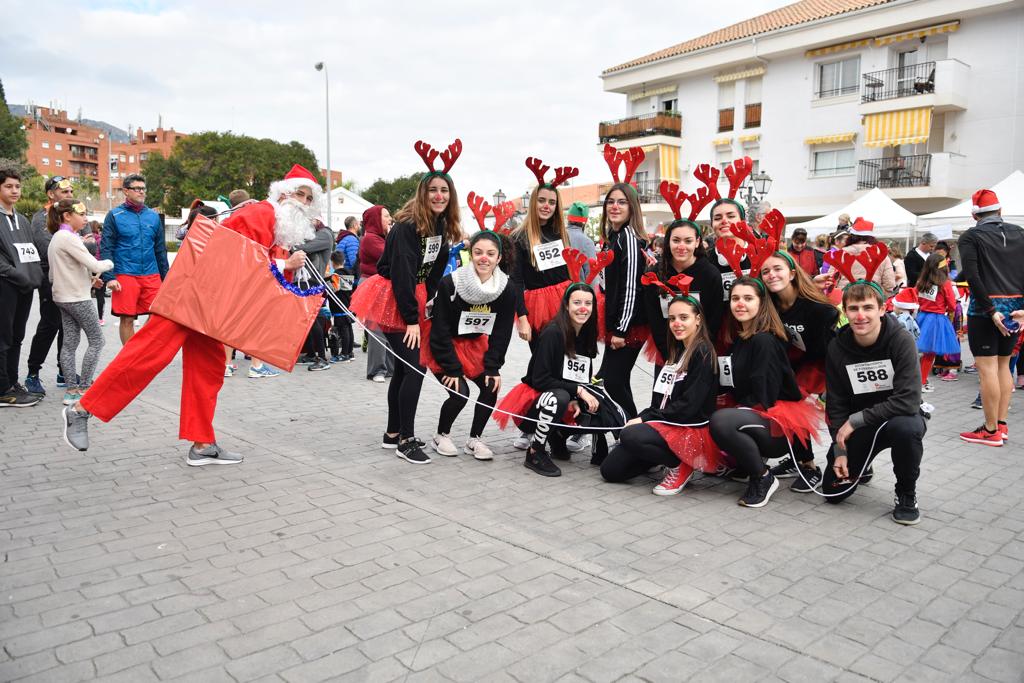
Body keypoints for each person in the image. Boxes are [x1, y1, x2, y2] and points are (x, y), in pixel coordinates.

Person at [60, 164, 318, 463]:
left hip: (209, 305)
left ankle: (202, 444)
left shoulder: (274, 223)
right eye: (300, 195)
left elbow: (256, 268)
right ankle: (80, 410)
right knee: (148, 355)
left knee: (206, 372)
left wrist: (284, 265)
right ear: (283, 193)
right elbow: (234, 257)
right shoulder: (261, 214)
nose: (304, 203)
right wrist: (286, 265)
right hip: (194, 297)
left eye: (309, 199)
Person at [349, 139, 463, 464]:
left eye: (444, 190)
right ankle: (406, 441)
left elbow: (434, 271)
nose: (439, 196)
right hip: (396, 298)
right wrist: (412, 317)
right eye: (433, 190)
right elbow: (401, 273)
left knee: (403, 368)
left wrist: (431, 301)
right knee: (416, 368)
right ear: (423, 194)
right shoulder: (408, 227)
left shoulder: (440, 225)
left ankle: (392, 433)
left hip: (416, 297)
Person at [823, 270, 926, 524]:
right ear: (845, 312)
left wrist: (856, 420)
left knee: (907, 428)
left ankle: (906, 493)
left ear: (882, 309)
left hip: (897, 419)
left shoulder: (901, 340)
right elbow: (835, 401)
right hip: (861, 427)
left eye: (868, 307)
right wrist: (840, 450)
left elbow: (908, 399)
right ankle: (863, 460)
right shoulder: (837, 346)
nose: (861, 316)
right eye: (853, 308)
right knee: (833, 492)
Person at [709, 277, 823, 507]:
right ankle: (747, 463)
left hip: (777, 424)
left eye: (748, 298)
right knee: (716, 412)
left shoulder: (764, 340)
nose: (740, 304)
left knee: (721, 421)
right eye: (735, 298)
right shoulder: (740, 338)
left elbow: (765, 395)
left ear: (762, 303)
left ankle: (763, 477)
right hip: (757, 415)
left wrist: (732, 411)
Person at [602, 279, 721, 495]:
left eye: (684, 318)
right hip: (667, 423)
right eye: (672, 318)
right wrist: (645, 417)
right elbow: (660, 398)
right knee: (611, 470)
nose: (677, 323)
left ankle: (681, 465)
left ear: (698, 319)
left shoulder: (702, 352)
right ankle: (660, 456)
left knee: (630, 435)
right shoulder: (674, 352)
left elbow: (689, 407)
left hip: (688, 426)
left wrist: (645, 418)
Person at [494, 279, 602, 477]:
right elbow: (540, 380)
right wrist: (576, 392)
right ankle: (535, 451)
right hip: (534, 403)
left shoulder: (587, 334)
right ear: (566, 305)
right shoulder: (552, 333)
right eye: (577, 303)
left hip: (561, 397)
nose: (583, 308)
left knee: (594, 399)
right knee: (559, 397)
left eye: (588, 303)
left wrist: (578, 399)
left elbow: (583, 376)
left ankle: (557, 436)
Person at [424, 229, 516, 461]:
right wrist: (452, 369)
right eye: (478, 252)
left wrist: (494, 367)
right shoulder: (451, 284)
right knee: (460, 393)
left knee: (490, 385)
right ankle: (440, 435)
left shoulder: (506, 289)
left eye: (490, 253)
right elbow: (440, 329)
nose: (484, 258)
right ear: (471, 254)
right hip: (444, 345)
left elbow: (502, 332)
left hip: (475, 344)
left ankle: (475, 439)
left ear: (499, 258)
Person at [759, 247, 838, 491]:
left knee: (794, 403)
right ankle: (797, 460)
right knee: (779, 402)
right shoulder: (768, 305)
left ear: (792, 274)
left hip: (818, 365)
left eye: (777, 269)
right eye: (765, 271)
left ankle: (810, 466)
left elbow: (826, 349)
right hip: (789, 364)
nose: (771, 275)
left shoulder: (818, 309)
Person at [957, 189, 1024, 446]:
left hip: (984, 309)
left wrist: (990, 310)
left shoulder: (971, 236)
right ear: (1000, 211)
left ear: (975, 214)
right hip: (1016, 307)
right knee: (1004, 365)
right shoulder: (1020, 232)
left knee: (987, 370)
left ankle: (990, 429)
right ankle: (1001, 425)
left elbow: (972, 277)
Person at [643, 183, 724, 372]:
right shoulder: (654, 273)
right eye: (676, 240)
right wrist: (668, 354)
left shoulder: (709, 274)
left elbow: (713, 318)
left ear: (697, 242)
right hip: (666, 348)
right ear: (668, 241)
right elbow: (654, 318)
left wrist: (697, 352)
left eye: (688, 241)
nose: (682, 246)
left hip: (700, 350)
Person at [596, 146, 649, 420]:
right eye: (611, 201)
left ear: (632, 208)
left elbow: (631, 287)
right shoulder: (613, 236)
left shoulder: (628, 237)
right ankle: (617, 432)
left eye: (622, 202)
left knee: (613, 382)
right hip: (618, 322)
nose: (614, 206)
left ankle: (633, 431)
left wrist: (619, 329)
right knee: (606, 380)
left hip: (628, 326)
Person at [45, 199, 114, 406]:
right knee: (97, 340)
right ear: (67, 216)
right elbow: (94, 263)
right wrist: (111, 262)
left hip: (62, 298)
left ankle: (71, 391)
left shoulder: (57, 237)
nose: (85, 218)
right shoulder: (69, 238)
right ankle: (84, 387)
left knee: (69, 344)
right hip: (78, 299)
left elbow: (54, 275)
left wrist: (91, 280)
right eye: (81, 213)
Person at [100, 174, 168, 345]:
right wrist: (109, 277)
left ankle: (138, 348)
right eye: (137, 188)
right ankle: (129, 359)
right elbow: (106, 247)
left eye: (143, 189)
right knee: (127, 319)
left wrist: (166, 278)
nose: (141, 192)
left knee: (158, 314)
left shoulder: (153, 216)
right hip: (125, 273)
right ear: (126, 191)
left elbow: (160, 249)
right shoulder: (114, 215)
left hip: (151, 273)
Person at [24, 175, 75, 395]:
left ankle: (64, 371)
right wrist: (75, 249)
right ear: (51, 194)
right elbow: (45, 248)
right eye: (65, 192)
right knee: (49, 325)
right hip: (50, 278)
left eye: (71, 191)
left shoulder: (71, 216)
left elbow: (90, 244)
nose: (69, 195)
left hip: (72, 279)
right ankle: (32, 373)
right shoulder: (41, 217)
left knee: (68, 327)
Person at [0, 164, 45, 407]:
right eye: (8, 186)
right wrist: (17, 275)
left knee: (17, 336)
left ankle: (12, 383)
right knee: (3, 337)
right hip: (5, 286)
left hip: (25, 288)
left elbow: (32, 253)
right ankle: (2, 388)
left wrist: (33, 278)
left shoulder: (22, 220)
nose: (14, 190)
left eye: (17, 186)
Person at [358, 205, 394, 383]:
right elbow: (392, 256)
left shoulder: (380, 237)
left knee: (388, 327)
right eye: (386, 216)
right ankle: (377, 370)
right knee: (377, 329)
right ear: (375, 220)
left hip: (382, 286)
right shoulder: (371, 239)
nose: (390, 219)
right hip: (374, 286)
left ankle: (388, 368)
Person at [914, 253, 959, 392]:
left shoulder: (921, 281)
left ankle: (919, 379)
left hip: (921, 318)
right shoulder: (944, 283)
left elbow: (916, 298)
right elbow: (952, 305)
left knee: (918, 353)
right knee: (930, 353)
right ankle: (920, 383)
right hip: (937, 320)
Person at [294, 219, 334, 372]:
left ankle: (322, 358)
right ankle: (311, 354)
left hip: (312, 281)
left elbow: (305, 248)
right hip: (306, 281)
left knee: (314, 319)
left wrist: (291, 245)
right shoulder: (318, 233)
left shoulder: (324, 234)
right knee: (308, 320)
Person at [827, 218, 896, 298]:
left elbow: (831, 280)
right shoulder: (881, 255)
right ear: (871, 237)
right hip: (872, 301)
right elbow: (890, 285)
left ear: (851, 236)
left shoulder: (841, 254)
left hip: (846, 300)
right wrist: (879, 298)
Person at [326, 251, 355, 362]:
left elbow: (333, 289)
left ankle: (344, 354)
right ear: (344, 261)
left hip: (339, 307)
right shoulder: (349, 274)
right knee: (349, 329)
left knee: (343, 331)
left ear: (332, 263)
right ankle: (350, 352)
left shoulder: (336, 276)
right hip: (349, 305)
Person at [565, 201, 596, 280]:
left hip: (558, 290)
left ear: (568, 218)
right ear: (584, 222)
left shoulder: (557, 236)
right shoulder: (587, 242)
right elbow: (591, 274)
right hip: (579, 289)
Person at [86, 221, 106, 325]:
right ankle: (100, 318)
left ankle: (86, 318)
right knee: (100, 295)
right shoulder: (102, 240)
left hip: (87, 268)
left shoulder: (85, 239)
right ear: (98, 229)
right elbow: (104, 254)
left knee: (85, 294)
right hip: (99, 268)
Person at [335, 216, 360, 282]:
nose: (360, 226)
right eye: (359, 224)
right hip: (350, 279)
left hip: (342, 275)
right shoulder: (352, 240)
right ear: (355, 225)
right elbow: (354, 262)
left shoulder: (342, 238)